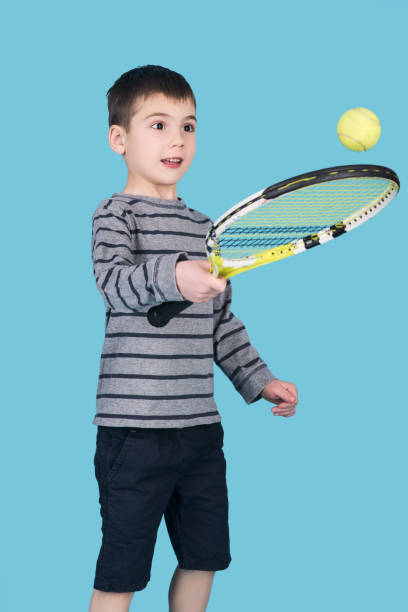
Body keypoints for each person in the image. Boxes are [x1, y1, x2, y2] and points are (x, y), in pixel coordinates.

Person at [89, 64, 298, 612]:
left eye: (188, 125)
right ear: (119, 138)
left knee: (204, 556)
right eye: (157, 124)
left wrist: (261, 380)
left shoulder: (209, 231)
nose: (176, 139)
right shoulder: (115, 214)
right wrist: (176, 275)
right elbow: (115, 285)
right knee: (123, 567)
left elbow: (222, 324)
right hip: (133, 432)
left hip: (200, 431)